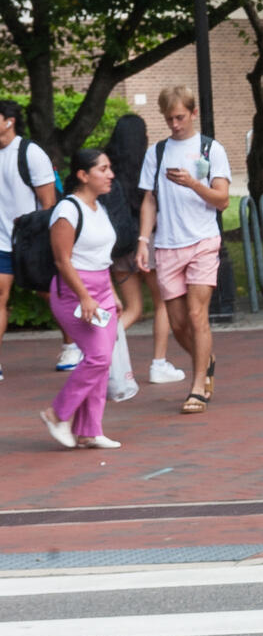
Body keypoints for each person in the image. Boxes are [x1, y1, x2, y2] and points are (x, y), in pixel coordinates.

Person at [135, 87, 232, 415]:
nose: (174, 124)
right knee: (177, 324)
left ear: (192, 113)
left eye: (179, 117)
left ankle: (197, 387)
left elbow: (222, 199)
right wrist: (143, 241)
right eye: (169, 119)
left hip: (203, 241)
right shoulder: (157, 152)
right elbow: (148, 199)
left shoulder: (210, 149)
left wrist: (192, 183)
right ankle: (206, 360)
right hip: (167, 245)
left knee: (196, 314)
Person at [38, 148, 122, 450]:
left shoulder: (100, 208)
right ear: (83, 175)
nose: (110, 174)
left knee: (102, 360)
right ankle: (57, 413)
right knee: (98, 356)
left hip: (101, 290)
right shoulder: (67, 210)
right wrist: (86, 297)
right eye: (103, 169)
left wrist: (111, 292)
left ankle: (89, 430)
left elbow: (102, 258)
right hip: (74, 292)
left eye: (110, 168)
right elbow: (63, 261)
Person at [0, 97, 60, 385]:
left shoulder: (30, 153)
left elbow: (48, 204)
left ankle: (73, 346)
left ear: (8, 121)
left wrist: (43, 241)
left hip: (31, 240)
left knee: (50, 294)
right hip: (0, 241)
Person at [99, 111, 149, 402]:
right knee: (163, 305)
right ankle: (159, 362)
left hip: (117, 247)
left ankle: (101, 342)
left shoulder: (108, 166)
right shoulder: (146, 163)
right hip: (143, 241)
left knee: (131, 308)